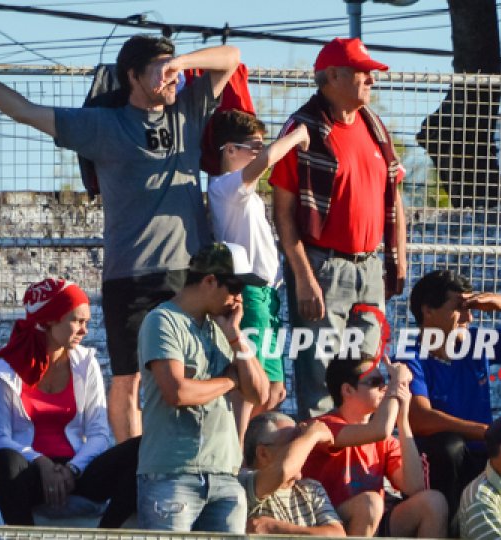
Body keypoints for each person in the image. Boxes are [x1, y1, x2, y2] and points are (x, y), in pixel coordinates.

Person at [0, 36, 240, 443]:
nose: (171, 77)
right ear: (132, 76)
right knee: (129, 378)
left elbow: (231, 57)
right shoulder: (103, 126)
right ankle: (133, 466)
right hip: (130, 273)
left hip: (189, 272)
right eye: (159, 69)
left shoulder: (187, 111)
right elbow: (24, 111)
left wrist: (178, 62)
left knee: (200, 366)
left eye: (173, 68)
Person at [270, 37, 407, 420]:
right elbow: (283, 214)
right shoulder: (303, 129)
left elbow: (394, 196)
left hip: (370, 267)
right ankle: (320, 454)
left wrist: (398, 256)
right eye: (363, 73)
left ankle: (360, 450)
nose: (372, 80)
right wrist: (304, 277)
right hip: (323, 268)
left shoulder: (374, 126)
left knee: (367, 376)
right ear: (333, 76)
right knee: (320, 377)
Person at [393, 269, 501, 522]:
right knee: (450, 446)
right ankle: (447, 524)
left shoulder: (475, 342)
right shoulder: (410, 355)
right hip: (441, 460)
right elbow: (420, 419)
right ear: (428, 311)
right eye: (459, 308)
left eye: (470, 308)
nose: (468, 317)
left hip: (484, 450)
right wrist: (483, 431)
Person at [136, 241, 269, 532]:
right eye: (235, 287)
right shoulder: (163, 321)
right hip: (172, 474)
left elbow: (260, 393)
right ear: (210, 281)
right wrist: (230, 380)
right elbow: (177, 392)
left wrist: (236, 337)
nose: (239, 298)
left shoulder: (222, 326)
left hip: (224, 473)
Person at [0, 278, 139, 527]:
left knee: (139, 449)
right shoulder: (7, 369)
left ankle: (106, 533)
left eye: (86, 322)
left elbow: (99, 434)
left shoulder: (86, 363)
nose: (84, 330)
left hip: (77, 470)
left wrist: (72, 469)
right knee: (6, 461)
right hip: (29, 471)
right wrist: (42, 463)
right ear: (49, 320)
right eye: (77, 321)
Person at [207, 109, 310, 434]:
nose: (259, 152)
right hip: (249, 292)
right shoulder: (225, 187)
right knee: (250, 387)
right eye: (253, 146)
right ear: (230, 150)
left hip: (267, 294)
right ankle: (234, 451)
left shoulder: (242, 192)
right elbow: (267, 160)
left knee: (274, 390)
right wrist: (296, 136)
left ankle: (246, 448)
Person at [302, 357, 447, 537]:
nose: (384, 388)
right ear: (347, 390)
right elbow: (380, 430)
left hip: (372, 518)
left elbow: (414, 487)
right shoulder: (324, 426)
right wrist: (396, 383)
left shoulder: (383, 439)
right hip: (328, 521)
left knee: (433, 502)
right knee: (371, 503)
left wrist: (403, 419)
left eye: (385, 381)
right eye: (375, 382)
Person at [240, 412, 345, 536]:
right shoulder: (243, 483)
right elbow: (284, 470)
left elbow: (338, 535)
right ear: (263, 454)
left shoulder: (311, 488)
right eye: (294, 444)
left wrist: (277, 528)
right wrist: (313, 434)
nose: (304, 450)